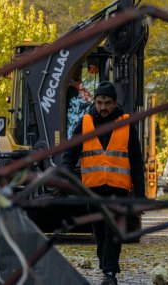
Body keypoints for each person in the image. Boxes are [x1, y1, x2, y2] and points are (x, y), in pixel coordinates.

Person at [62, 81, 145, 285]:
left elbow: (136, 160)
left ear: (114, 103)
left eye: (107, 102)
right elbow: (71, 152)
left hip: (118, 188)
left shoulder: (126, 124)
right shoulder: (86, 122)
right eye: (99, 102)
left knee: (112, 229)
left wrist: (140, 195)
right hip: (94, 187)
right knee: (99, 230)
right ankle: (105, 265)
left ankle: (110, 272)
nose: (103, 107)